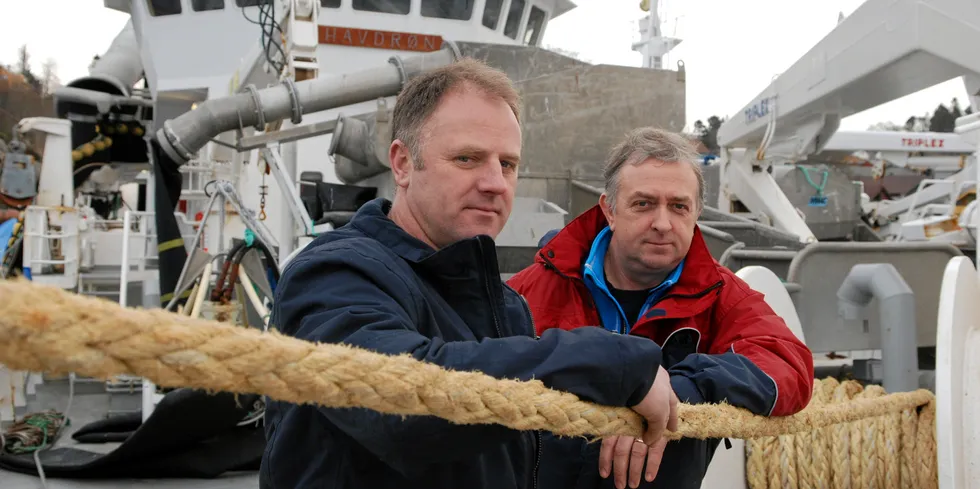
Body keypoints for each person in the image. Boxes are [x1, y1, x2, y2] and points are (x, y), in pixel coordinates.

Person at [259, 58, 681, 489]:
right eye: (467, 158)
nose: (496, 182)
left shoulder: (505, 304)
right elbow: (401, 408)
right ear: (403, 164)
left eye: (508, 164)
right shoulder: (334, 272)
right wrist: (610, 360)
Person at [508, 127, 815, 489]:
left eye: (679, 206)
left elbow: (788, 365)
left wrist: (684, 387)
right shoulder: (530, 290)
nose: (663, 223)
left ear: (697, 212)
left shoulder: (720, 295)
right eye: (644, 203)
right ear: (609, 209)